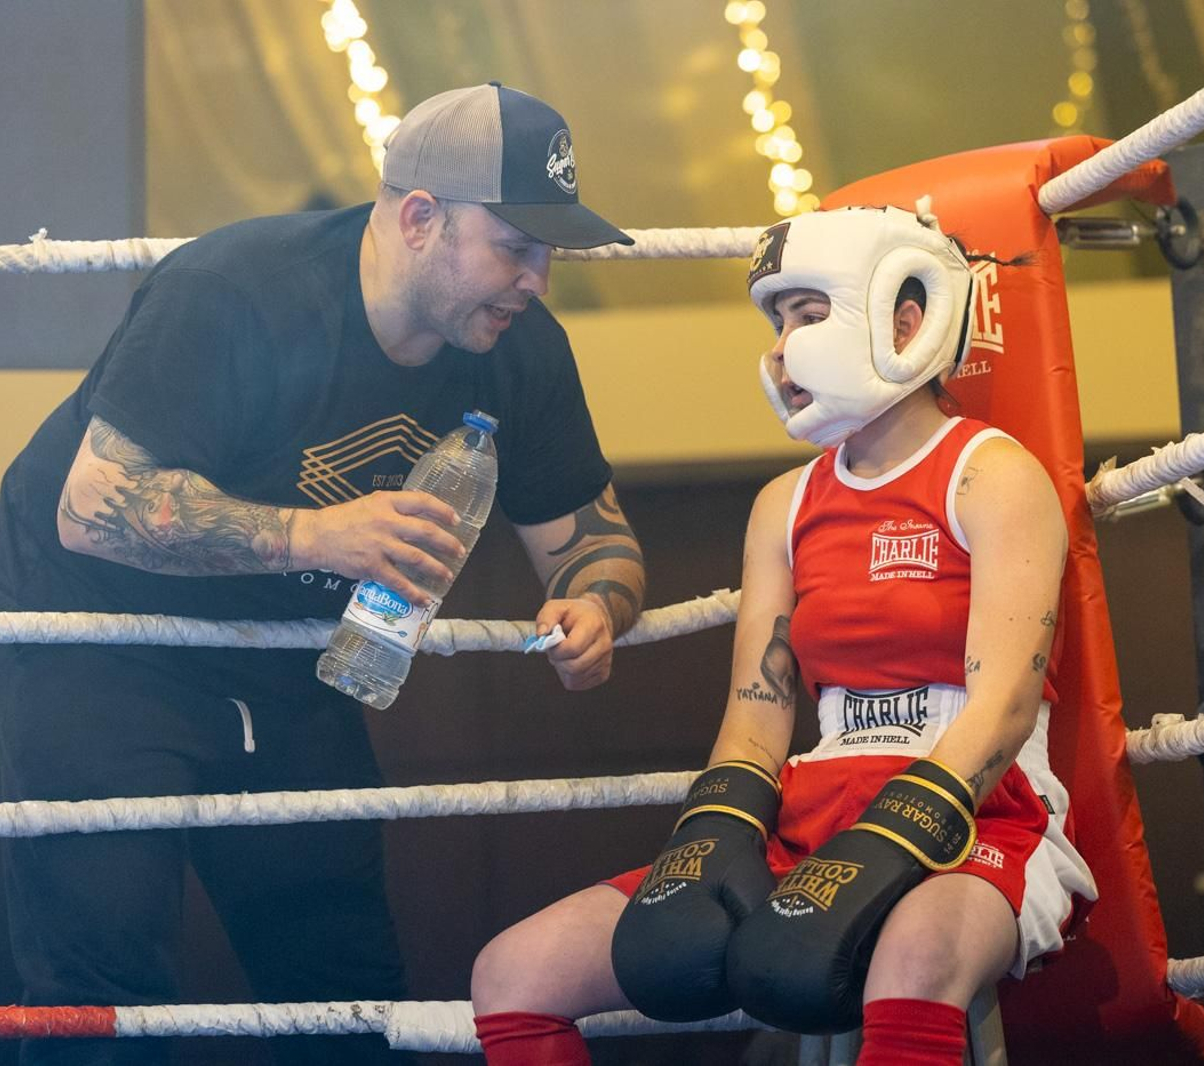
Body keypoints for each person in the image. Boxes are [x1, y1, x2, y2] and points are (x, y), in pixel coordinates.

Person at [0, 82, 646, 1065]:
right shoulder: (237, 287)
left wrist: (595, 603)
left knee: (341, 976)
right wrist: (311, 537)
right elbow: (93, 507)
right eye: (515, 245)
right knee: (103, 965)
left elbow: (596, 537)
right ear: (421, 219)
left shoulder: (517, 348)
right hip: (95, 626)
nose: (537, 279)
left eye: (550, 252)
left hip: (288, 655)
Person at [469, 205, 1095, 1066]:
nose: (782, 349)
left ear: (903, 321)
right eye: (776, 322)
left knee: (910, 963)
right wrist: (714, 833)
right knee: (513, 972)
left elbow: (1007, 704)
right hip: (814, 803)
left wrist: (894, 835)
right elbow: (757, 714)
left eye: (808, 316)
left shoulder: (990, 474)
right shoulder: (785, 505)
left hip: (979, 806)